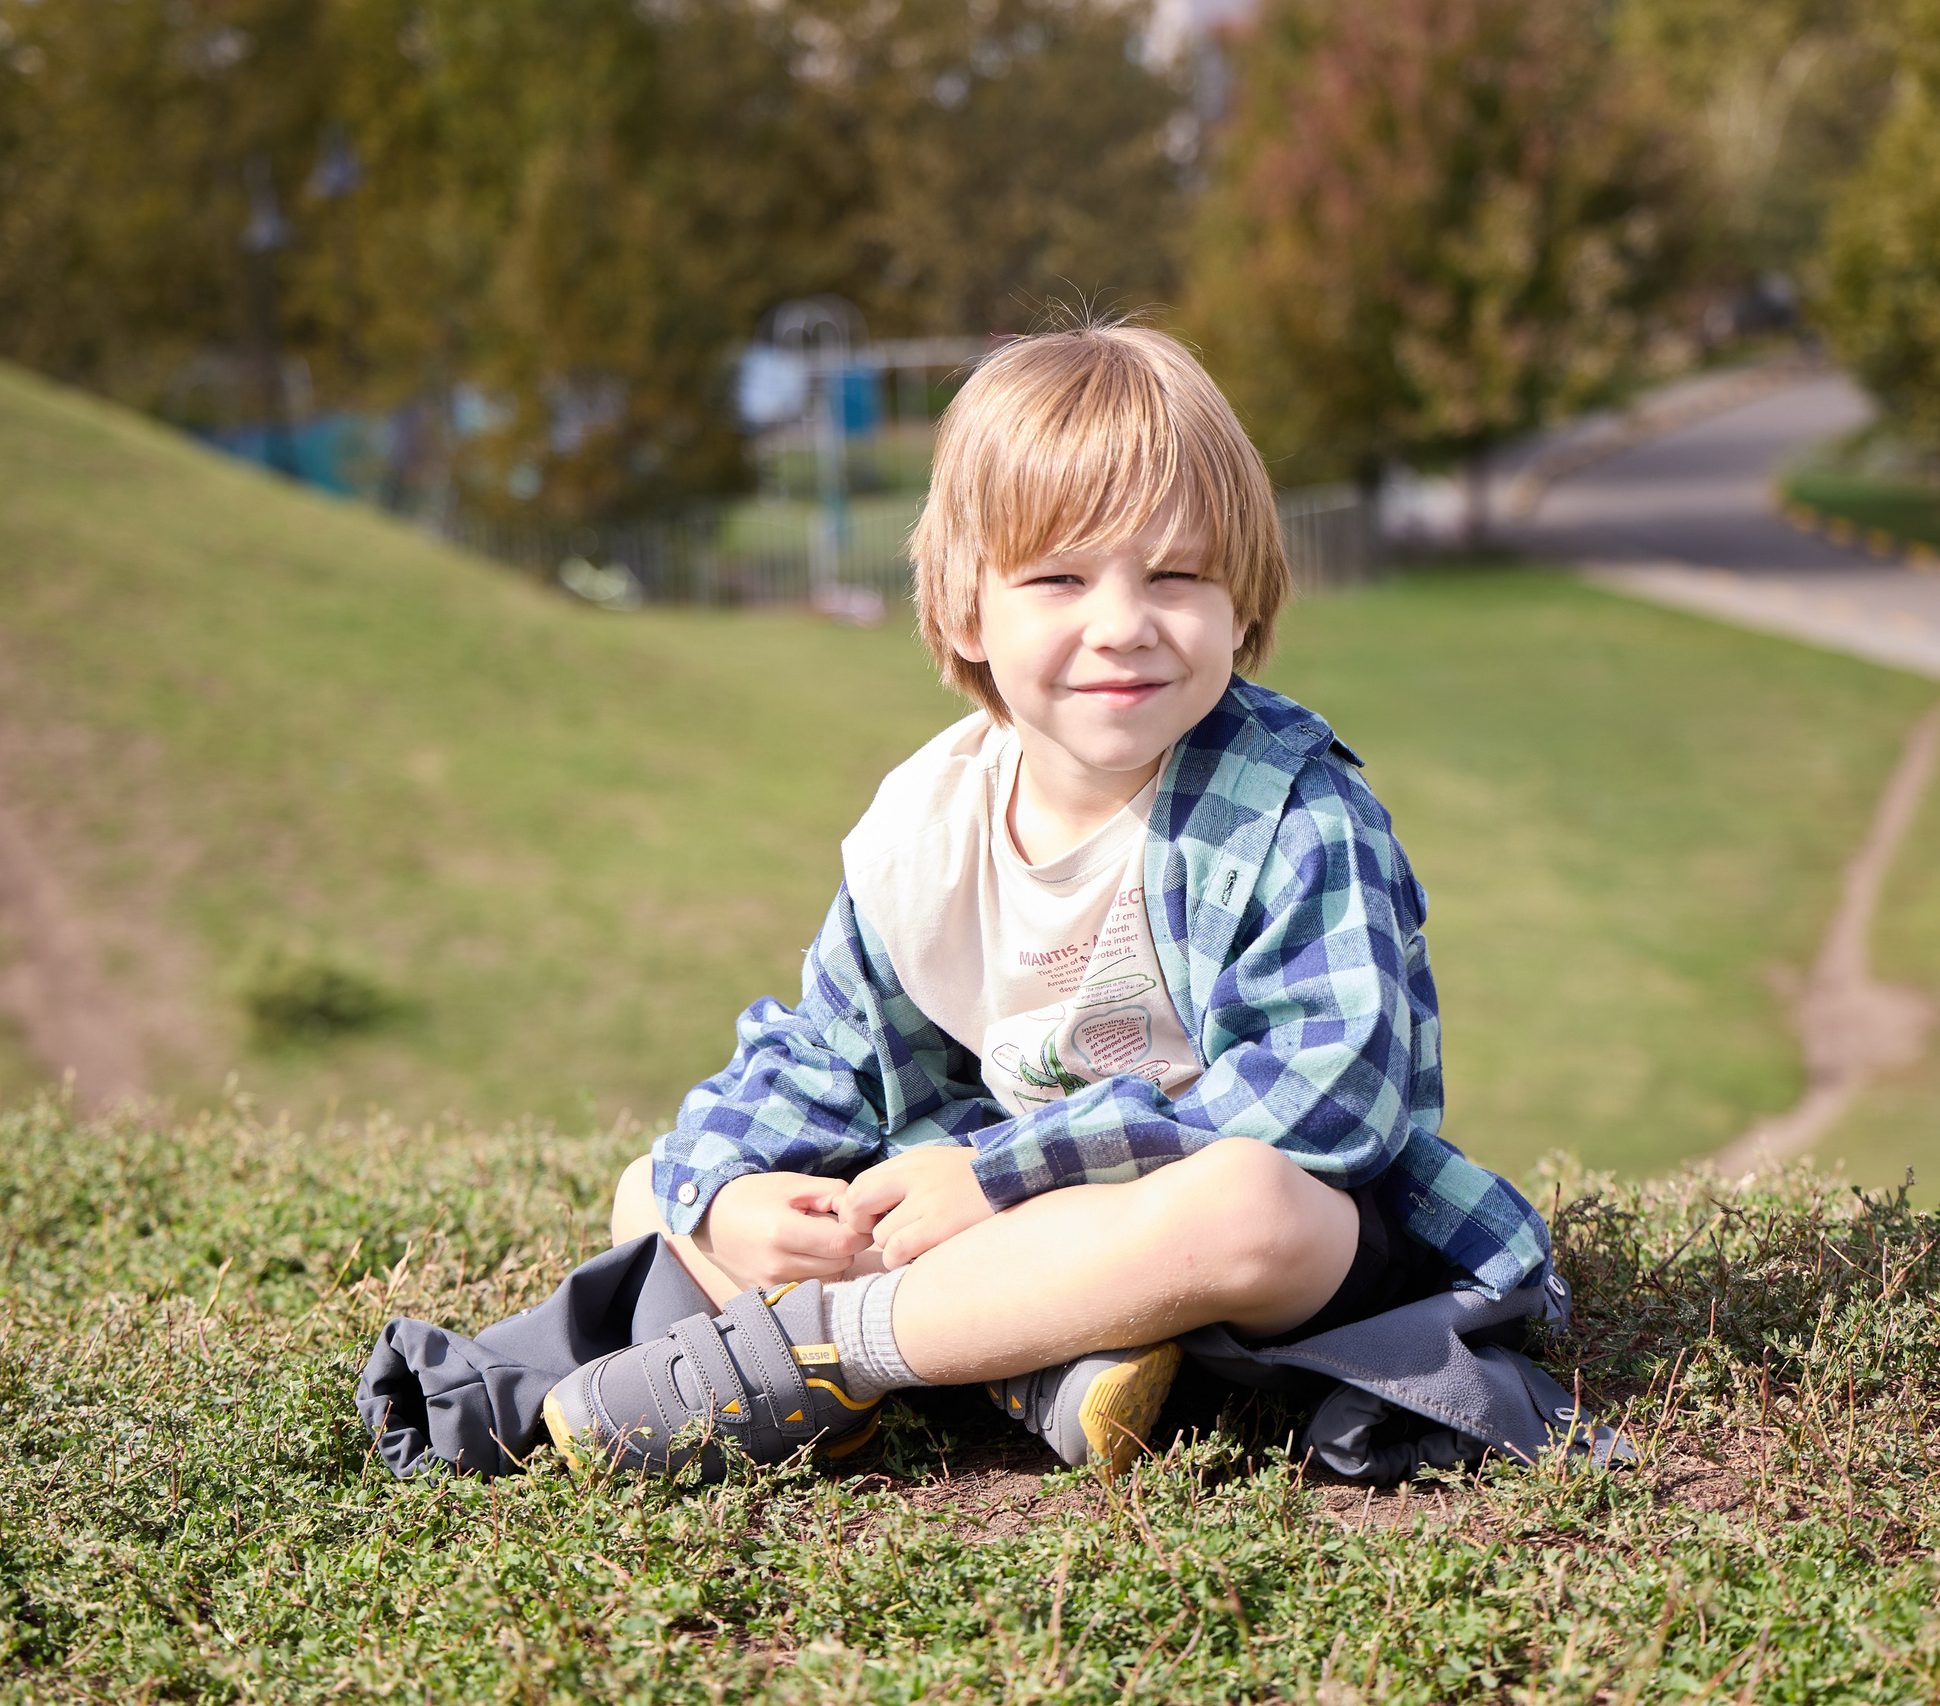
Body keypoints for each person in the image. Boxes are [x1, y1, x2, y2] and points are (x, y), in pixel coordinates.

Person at [546, 324, 1554, 1477]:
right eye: (1060, 579)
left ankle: (832, 1352)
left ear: (1241, 598)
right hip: (1018, 1239)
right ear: (969, 610)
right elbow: (824, 1053)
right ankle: (1039, 1362)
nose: (1122, 622)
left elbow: (1334, 1102)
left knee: (1247, 1201)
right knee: (656, 1186)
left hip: (1268, 1261)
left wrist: (998, 1175)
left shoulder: (1292, 809)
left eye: (1174, 574)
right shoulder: (928, 828)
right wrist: (731, 1199)